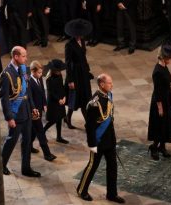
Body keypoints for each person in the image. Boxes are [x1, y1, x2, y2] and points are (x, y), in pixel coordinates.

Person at [76, 73, 125, 204]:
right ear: (102, 85)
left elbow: (110, 119)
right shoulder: (94, 103)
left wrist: (113, 139)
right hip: (98, 141)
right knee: (92, 166)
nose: (112, 85)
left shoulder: (108, 96)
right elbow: (90, 126)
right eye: (109, 83)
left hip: (109, 140)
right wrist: (92, 143)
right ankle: (82, 190)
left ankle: (112, 194)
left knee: (112, 167)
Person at [0, 46, 41, 177]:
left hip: (27, 112)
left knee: (27, 142)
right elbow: (4, 98)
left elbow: (27, 91)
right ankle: (1, 165)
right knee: (11, 141)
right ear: (15, 57)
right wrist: (9, 118)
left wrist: (33, 107)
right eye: (23, 56)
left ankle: (26, 168)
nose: (26, 58)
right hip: (16, 114)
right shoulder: (6, 75)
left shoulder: (23, 69)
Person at [147, 42, 171, 160]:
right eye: (169, 57)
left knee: (166, 124)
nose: (170, 59)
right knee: (159, 125)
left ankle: (162, 146)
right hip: (159, 101)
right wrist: (160, 107)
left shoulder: (164, 66)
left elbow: (166, 85)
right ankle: (154, 147)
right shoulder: (157, 71)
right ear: (164, 57)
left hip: (167, 98)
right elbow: (157, 91)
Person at [64, 18, 94, 129]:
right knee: (76, 98)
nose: (81, 35)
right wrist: (70, 80)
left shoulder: (82, 41)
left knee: (85, 98)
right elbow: (67, 63)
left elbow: (83, 57)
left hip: (83, 73)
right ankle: (87, 124)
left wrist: (87, 71)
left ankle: (71, 118)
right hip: (75, 74)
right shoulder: (69, 45)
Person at [29, 60, 57, 161]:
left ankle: (29, 146)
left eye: (41, 72)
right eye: (39, 72)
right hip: (33, 112)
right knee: (40, 131)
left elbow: (42, 92)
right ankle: (47, 154)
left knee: (33, 130)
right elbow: (30, 98)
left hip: (39, 109)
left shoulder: (39, 79)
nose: (41, 75)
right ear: (33, 71)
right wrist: (34, 109)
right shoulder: (29, 82)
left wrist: (44, 104)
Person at [44, 59, 69, 144]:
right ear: (54, 70)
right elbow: (50, 92)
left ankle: (59, 137)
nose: (60, 72)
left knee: (60, 118)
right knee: (53, 120)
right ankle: (42, 132)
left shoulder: (59, 76)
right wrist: (59, 99)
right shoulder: (49, 79)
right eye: (58, 70)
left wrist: (64, 97)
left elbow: (61, 87)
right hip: (53, 102)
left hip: (60, 100)